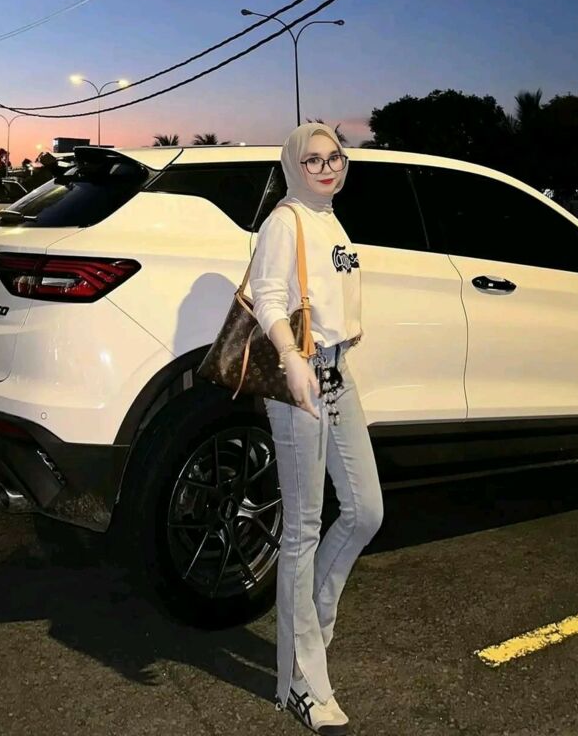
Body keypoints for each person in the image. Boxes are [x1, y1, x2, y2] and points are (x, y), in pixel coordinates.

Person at [250, 122, 384, 735]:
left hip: (338, 371)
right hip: (300, 377)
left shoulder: (331, 219)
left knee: (365, 510)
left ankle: (312, 627)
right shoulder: (287, 221)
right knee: (302, 530)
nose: (327, 168)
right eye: (313, 160)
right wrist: (290, 357)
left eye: (335, 158)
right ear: (292, 165)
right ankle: (303, 679)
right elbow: (267, 297)